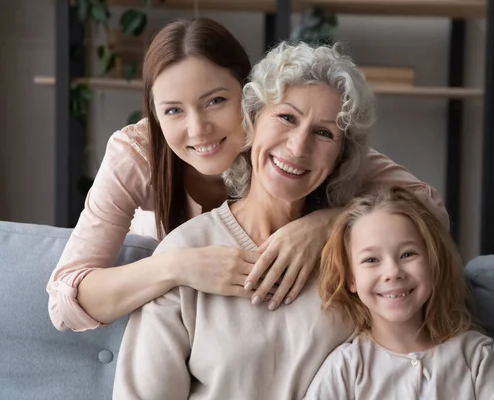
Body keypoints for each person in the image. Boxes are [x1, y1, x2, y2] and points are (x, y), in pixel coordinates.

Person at [46, 17, 448, 333]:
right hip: (178, 322)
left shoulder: (295, 142)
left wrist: (327, 223)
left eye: (216, 101)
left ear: (253, 97)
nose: (198, 128)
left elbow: (429, 208)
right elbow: (65, 302)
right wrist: (177, 266)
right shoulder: (137, 154)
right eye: (173, 110)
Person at [114, 40, 386, 399]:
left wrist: (335, 221)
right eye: (286, 117)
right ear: (251, 122)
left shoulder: (362, 252)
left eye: (324, 133)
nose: (298, 147)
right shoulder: (186, 250)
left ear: (340, 158)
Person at [304, 186, 494, 399]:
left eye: (408, 254)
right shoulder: (345, 368)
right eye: (371, 260)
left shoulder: (476, 357)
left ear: (432, 263)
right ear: (351, 279)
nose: (392, 272)